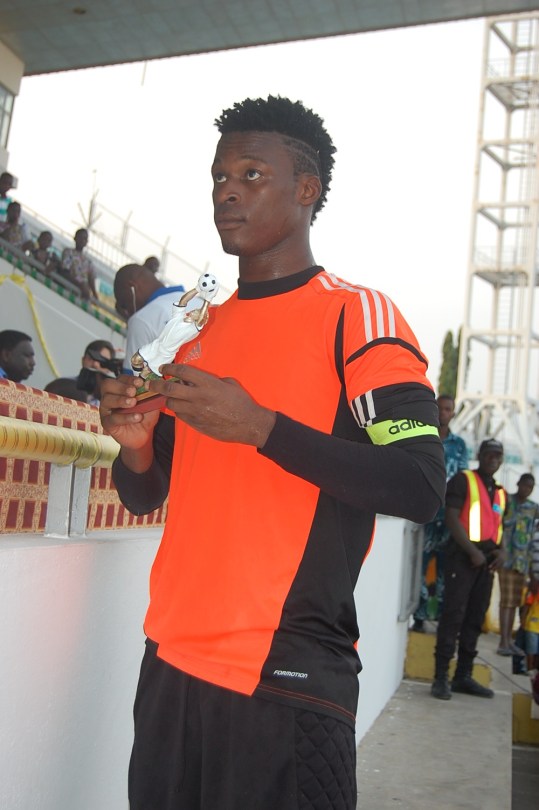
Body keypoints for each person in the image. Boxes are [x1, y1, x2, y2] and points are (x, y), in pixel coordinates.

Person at [100, 95, 445, 810]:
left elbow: (419, 484)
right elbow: (145, 492)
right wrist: (134, 448)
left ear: (306, 189)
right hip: (168, 663)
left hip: (286, 678)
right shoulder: (193, 333)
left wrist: (264, 428)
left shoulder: (355, 314)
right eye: (219, 176)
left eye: (251, 174)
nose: (226, 191)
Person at [432, 438, 507, 700]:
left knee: (475, 619)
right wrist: (472, 552)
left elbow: (499, 525)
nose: (493, 459)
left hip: (486, 562)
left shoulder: (500, 492)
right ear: (480, 455)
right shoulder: (464, 480)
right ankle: (440, 677)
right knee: (453, 616)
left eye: (498, 455)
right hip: (463, 558)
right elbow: (452, 518)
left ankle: (463, 676)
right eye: (489, 454)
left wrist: (502, 551)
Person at [412, 394, 469, 631]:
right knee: (420, 566)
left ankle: (441, 619)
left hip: (449, 519)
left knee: (446, 570)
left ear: (452, 413)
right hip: (424, 514)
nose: (443, 412)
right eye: (440, 408)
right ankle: (419, 616)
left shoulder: (460, 445)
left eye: (448, 409)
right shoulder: (424, 436)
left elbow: (463, 479)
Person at [113, 264, 185, 372]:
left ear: (132, 287)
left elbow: (133, 379)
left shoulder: (141, 320)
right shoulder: (199, 302)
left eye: (124, 304)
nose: (128, 311)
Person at [497, 473, 539, 655]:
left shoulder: (533, 508)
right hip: (506, 559)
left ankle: (508, 641)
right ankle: (503, 642)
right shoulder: (507, 501)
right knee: (506, 602)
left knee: (515, 602)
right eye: (525, 485)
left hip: (523, 562)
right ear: (518, 483)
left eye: (530, 487)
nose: (526, 489)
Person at [76, 339, 118, 406]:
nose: (95, 364)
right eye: (91, 359)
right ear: (83, 360)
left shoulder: (112, 403)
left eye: (102, 362)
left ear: (110, 368)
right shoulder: (63, 386)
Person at [60, 228, 98, 300]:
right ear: (75, 238)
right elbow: (65, 272)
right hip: (68, 291)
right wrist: (80, 284)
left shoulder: (88, 262)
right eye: (80, 237)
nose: (82, 240)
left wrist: (94, 294)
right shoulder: (68, 252)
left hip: (83, 296)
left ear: (86, 242)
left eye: (85, 238)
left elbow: (91, 279)